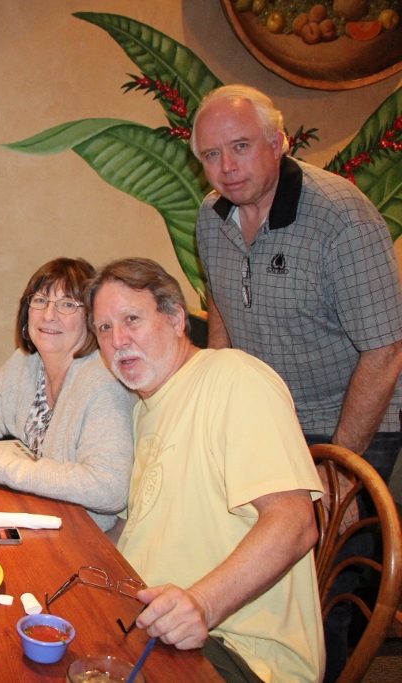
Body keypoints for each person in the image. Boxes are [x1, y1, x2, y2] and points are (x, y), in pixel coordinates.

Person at [191, 84, 402, 680]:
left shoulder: (341, 217)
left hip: (353, 413)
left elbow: (385, 350)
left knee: (327, 584)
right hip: (270, 416)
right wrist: (215, 401)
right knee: (257, 567)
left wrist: (336, 467)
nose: (226, 167)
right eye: (210, 155)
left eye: (240, 147)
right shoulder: (213, 217)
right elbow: (222, 310)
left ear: (278, 143)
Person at [87, 257, 324, 683]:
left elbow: (295, 521)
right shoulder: (145, 408)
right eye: (104, 328)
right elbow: (136, 525)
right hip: (149, 624)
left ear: (177, 318)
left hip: (236, 650)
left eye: (131, 319)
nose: (118, 340)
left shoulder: (234, 377)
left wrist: (202, 604)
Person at [0, 258, 136, 531]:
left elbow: (109, 487)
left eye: (67, 304)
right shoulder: (27, 362)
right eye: (40, 300)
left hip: (85, 535)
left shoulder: (103, 383)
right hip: (34, 515)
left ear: (91, 318)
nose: (48, 315)